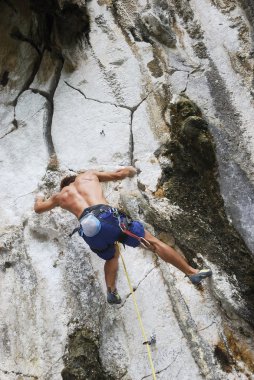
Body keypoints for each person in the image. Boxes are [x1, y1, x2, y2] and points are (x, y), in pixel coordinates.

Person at [34, 166, 212, 304]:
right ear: (75, 179)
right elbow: (120, 174)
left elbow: (38, 209)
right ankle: (191, 272)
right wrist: (131, 170)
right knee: (153, 243)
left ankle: (111, 291)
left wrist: (39, 197)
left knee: (111, 257)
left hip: (90, 230)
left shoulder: (59, 196)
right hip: (107, 216)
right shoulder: (88, 176)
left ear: (65, 186)